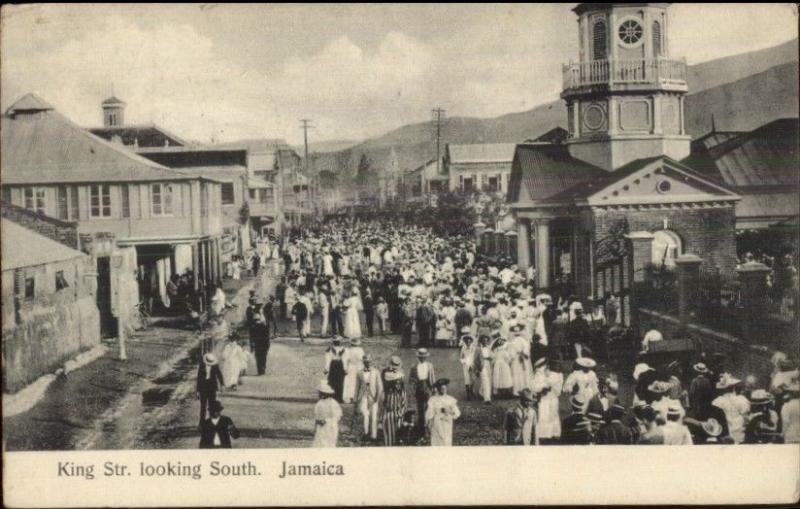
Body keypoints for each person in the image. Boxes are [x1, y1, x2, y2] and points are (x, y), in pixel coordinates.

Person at [531, 357, 563, 444]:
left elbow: (558, 389)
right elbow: (534, 387)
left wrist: (549, 385)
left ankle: (554, 433)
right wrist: (542, 388)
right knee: (544, 415)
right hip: (544, 398)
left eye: (546, 366)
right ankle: (545, 434)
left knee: (552, 415)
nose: (545, 368)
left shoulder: (555, 375)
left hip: (552, 397)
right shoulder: (538, 375)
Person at [712, 373, 750, 444]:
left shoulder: (717, 401)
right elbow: (746, 418)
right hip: (740, 434)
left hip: (724, 435)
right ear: (734, 388)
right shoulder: (742, 400)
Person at [425, 378, 461, 446]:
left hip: (447, 423)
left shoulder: (450, 399)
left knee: (446, 441)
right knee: (437, 441)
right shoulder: (433, 400)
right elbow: (429, 413)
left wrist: (449, 411)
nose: (443, 390)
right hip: (437, 423)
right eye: (441, 389)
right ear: (437, 389)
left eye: (444, 388)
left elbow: (457, 413)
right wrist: (429, 422)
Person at [355, 354, 383, 441]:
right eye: (366, 362)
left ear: (371, 362)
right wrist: (355, 398)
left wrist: (377, 397)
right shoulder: (359, 372)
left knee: (374, 415)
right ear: (363, 362)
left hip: (373, 396)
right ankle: (366, 433)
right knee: (365, 414)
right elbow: (357, 387)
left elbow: (380, 386)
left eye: (369, 362)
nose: (367, 363)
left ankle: (373, 436)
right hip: (363, 395)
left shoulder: (376, 372)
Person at [381, 356, 407, 446]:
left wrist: (401, 411)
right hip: (389, 406)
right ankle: (389, 445)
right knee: (388, 428)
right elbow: (383, 394)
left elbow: (403, 395)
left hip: (398, 406)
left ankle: (397, 445)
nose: (396, 383)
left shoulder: (401, 391)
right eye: (395, 382)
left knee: (398, 428)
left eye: (398, 381)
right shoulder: (386, 373)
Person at [409, 348, 436, 435]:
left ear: (426, 357)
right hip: (419, 388)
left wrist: (433, 388)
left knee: (428, 407)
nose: (422, 358)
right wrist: (414, 383)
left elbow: (432, 378)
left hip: (427, 387)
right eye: (421, 357)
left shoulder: (430, 365)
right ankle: (421, 429)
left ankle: (428, 427)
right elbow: (411, 379)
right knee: (420, 408)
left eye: (424, 357)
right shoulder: (414, 366)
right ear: (418, 357)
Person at [312, 381, 342, 448]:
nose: (320, 394)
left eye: (322, 393)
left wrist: (326, 421)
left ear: (326, 394)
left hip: (329, 427)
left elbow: (337, 416)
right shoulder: (319, 403)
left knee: (328, 443)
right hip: (320, 428)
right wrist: (316, 425)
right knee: (319, 443)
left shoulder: (333, 403)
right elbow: (317, 416)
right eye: (320, 392)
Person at [196, 353, 224, 422]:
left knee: (212, 405)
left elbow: (219, 374)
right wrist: (197, 391)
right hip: (203, 388)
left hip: (212, 388)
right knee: (203, 406)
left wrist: (222, 384)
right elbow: (199, 378)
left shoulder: (215, 366)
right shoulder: (202, 366)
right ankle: (202, 422)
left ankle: (211, 421)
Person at [508, 323, 532, 396]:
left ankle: (521, 390)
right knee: (521, 373)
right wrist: (524, 353)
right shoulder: (522, 341)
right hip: (520, 358)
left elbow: (511, 353)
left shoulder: (513, 342)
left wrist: (514, 356)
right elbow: (526, 349)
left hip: (518, 358)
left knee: (519, 373)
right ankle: (521, 389)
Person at [341, 339, 365, 404]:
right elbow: (362, 359)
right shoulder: (360, 350)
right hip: (358, 367)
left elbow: (344, 360)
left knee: (350, 382)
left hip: (351, 367)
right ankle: (356, 397)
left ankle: (350, 397)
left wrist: (345, 368)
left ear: (351, 344)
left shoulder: (348, 350)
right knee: (356, 382)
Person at [324, 337, 347, 403]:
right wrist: (326, 368)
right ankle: (333, 397)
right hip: (335, 365)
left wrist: (345, 369)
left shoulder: (343, 349)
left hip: (338, 365)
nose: (337, 342)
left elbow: (345, 359)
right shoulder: (330, 349)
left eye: (338, 341)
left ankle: (338, 397)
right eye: (336, 341)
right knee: (333, 381)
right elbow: (328, 360)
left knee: (339, 381)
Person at [458, 334, 478, 400]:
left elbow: (475, 356)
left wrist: (474, 364)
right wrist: (465, 362)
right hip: (466, 365)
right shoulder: (463, 348)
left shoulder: (473, 348)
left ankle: (471, 391)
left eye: (469, 341)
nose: (468, 343)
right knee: (467, 379)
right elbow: (461, 357)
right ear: (465, 342)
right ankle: (468, 394)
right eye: (467, 342)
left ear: (471, 341)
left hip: (472, 364)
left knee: (473, 378)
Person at [476, 335, 493, 402]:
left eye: (486, 341)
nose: (485, 342)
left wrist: (491, 358)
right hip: (482, 366)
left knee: (488, 381)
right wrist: (477, 369)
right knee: (485, 380)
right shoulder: (478, 349)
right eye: (483, 341)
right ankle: (487, 399)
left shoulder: (489, 348)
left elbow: (492, 357)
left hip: (488, 365)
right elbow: (475, 359)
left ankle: (481, 392)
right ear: (481, 341)